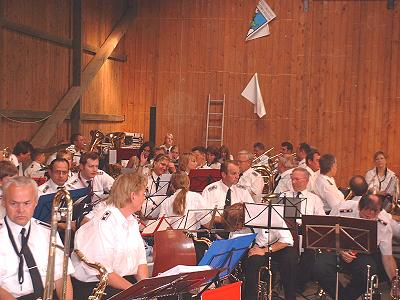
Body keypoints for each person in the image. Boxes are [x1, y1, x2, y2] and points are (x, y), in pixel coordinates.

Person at [71, 173, 148, 299]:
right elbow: (104, 273)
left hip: (120, 281)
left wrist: (146, 290)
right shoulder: (105, 223)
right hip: (95, 286)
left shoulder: (131, 220)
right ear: (133, 196)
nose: (144, 198)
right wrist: (136, 291)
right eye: (143, 194)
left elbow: (140, 261)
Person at [0, 176, 74, 300]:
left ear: (35, 202)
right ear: (3, 202)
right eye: (14, 203)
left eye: (27, 203)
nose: (21, 210)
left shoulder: (48, 232)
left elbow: (62, 276)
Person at [314, 194, 397, 300]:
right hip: (335, 249)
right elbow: (326, 235)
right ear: (359, 207)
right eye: (366, 216)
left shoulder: (384, 223)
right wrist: (340, 251)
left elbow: (387, 257)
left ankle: (345, 297)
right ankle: (340, 296)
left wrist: (394, 282)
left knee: (369, 271)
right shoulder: (343, 209)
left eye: (374, 215)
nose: (371, 217)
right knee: (319, 266)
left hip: (362, 254)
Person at [243, 221, 298, 300]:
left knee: (290, 257)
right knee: (253, 260)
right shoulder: (246, 216)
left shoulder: (274, 215)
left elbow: (287, 240)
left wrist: (266, 250)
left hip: (278, 245)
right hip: (258, 246)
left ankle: (291, 296)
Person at [141, 154, 171, 219]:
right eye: (162, 164)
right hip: (144, 215)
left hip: (159, 216)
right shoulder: (146, 178)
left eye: (167, 166)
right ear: (155, 163)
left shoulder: (167, 180)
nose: (165, 168)